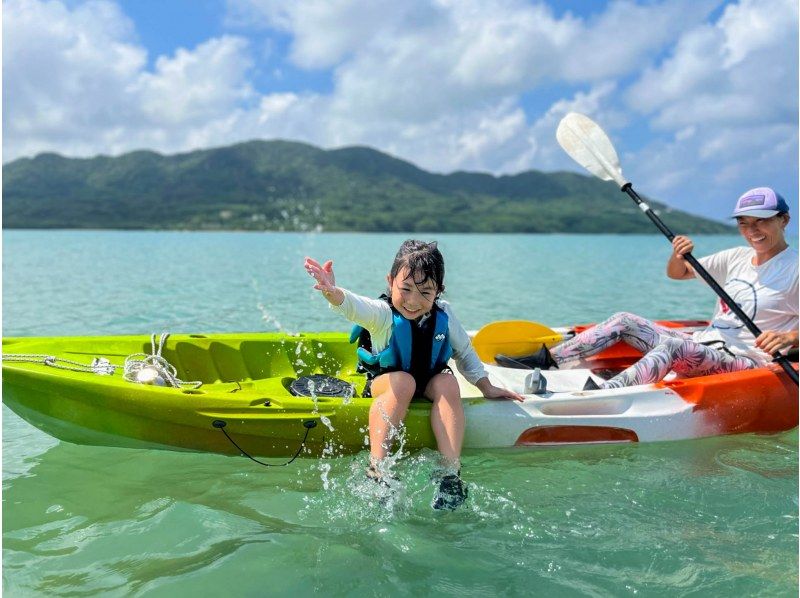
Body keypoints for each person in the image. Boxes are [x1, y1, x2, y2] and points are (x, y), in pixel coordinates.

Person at [501, 187, 798, 389]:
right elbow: (678, 273)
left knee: (671, 345)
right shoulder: (735, 257)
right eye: (744, 223)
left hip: (746, 362)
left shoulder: (794, 269)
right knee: (624, 320)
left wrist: (789, 337)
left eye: (761, 222)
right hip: (706, 345)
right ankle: (548, 360)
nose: (752, 231)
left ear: (783, 220)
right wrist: (678, 254)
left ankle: (608, 391)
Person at [304, 240, 523, 510]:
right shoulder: (382, 314)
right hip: (387, 383)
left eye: (425, 293)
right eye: (405, 289)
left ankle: (450, 474)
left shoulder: (445, 314)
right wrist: (331, 291)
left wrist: (486, 387)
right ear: (390, 281)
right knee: (404, 381)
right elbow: (352, 305)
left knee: (447, 382)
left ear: (439, 292)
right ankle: (377, 469)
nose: (413, 301)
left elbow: (464, 352)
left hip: (428, 381)